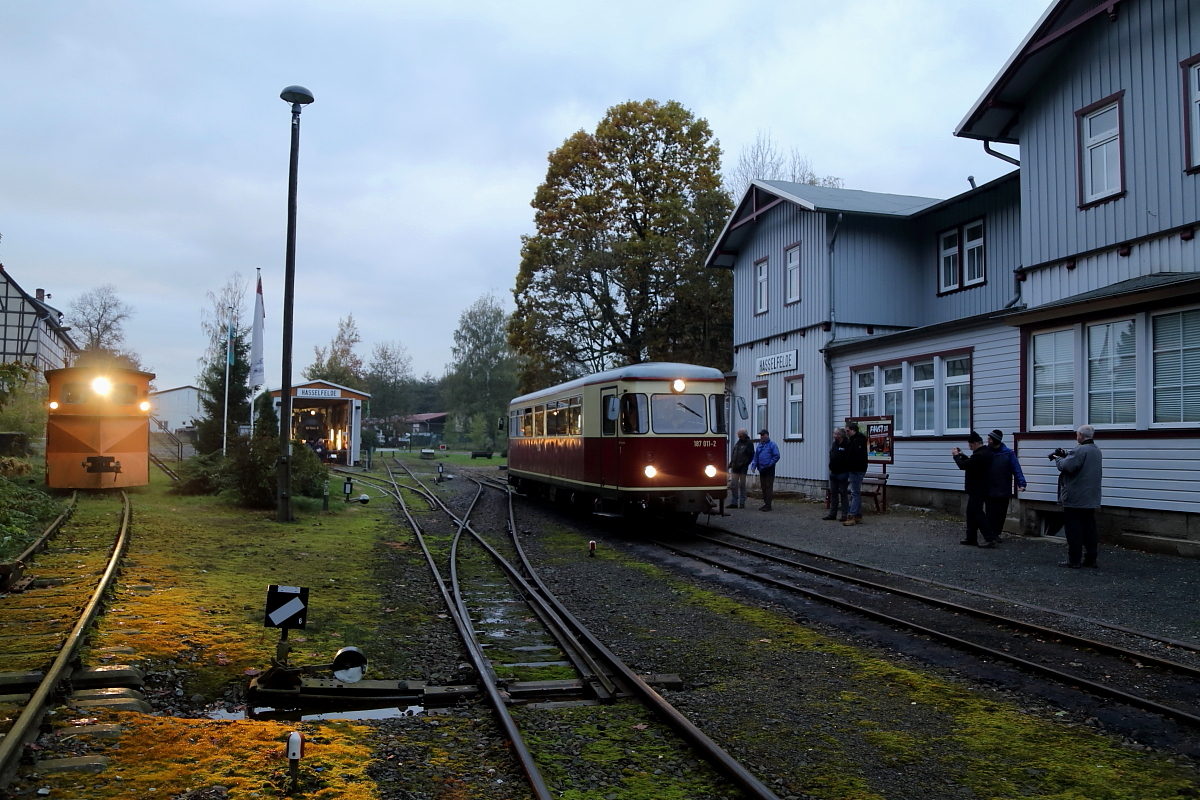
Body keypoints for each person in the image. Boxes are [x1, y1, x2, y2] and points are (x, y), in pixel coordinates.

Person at [1051, 425, 1103, 568]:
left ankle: (1074, 560)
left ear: (1080, 435)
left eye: (1077, 434)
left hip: (1075, 497)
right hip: (1090, 497)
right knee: (1089, 529)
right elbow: (1078, 459)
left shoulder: (1079, 450)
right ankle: (1091, 558)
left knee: (1074, 530)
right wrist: (1067, 453)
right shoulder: (1096, 450)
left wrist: (1057, 458)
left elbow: (1067, 466)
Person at [951, 431, 999, 547]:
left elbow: (964, 465)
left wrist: (956, 456)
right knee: (971, 513)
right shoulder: (984, 453)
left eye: (970, 445)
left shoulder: (980, 455)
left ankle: (990, 538)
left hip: (978, 489)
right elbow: (971, 463)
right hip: (979, 488)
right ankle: (971, 537)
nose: (970, 447)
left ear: (975, 443)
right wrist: (962, 455)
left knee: (977, 513)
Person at [985, 429, 1027, 538]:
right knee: (990, 513)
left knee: (1001, 514)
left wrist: (1021, 484)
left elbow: (1016, 469)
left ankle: (996, 534)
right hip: (989, 489)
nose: (987, 441)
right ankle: (991, 535)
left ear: (995, 440)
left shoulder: (1008, 453)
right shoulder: (985, 452)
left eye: (989, 439)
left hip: (1004, 489)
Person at [843, 420, 868, 526]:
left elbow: (858, 457)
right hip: (856, 469)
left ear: (853, 430)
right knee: (856, 492)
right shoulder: (854, 440)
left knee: (854, 492)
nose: (846, 433)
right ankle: (858, 514)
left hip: (857, 470)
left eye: (848, 431)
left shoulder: (858, 441)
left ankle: (852, 515)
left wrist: (852, 467)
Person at [824, 427, 852, 521]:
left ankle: (844, 514)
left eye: (835, 434)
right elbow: (831, 454)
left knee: (843, 494)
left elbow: (848, 458)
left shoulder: (847, 445)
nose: (834, 435)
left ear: (840, 435)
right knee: (833, 494)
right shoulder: (834, 444)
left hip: (843, 473)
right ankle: (833, 514)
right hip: (833, 472)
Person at [750, 429, 780, 511]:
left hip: (769, 469)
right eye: (761, 435)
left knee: (768, 486)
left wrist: (770, 463)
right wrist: (753, 466)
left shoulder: (772, 445)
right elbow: (755, 457)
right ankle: (765, 503)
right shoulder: (759, 445)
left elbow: (776, 456)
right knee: (763, 487)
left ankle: (768, 505)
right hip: (761, 469)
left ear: (767, 435)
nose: (761, 437)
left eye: (763, 435)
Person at [727, 428, 755, 509]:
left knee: (742, 485)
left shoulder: (749, 443)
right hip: (735, 467)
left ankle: (742, 502)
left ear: (742, 434)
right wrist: (730, 464)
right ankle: (734, 502)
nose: (737, 434)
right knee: (733, 485)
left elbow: (751, 455)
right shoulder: (738, 443)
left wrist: (746, 464)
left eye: (739, 433)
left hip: (743, 468)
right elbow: (734, 455)